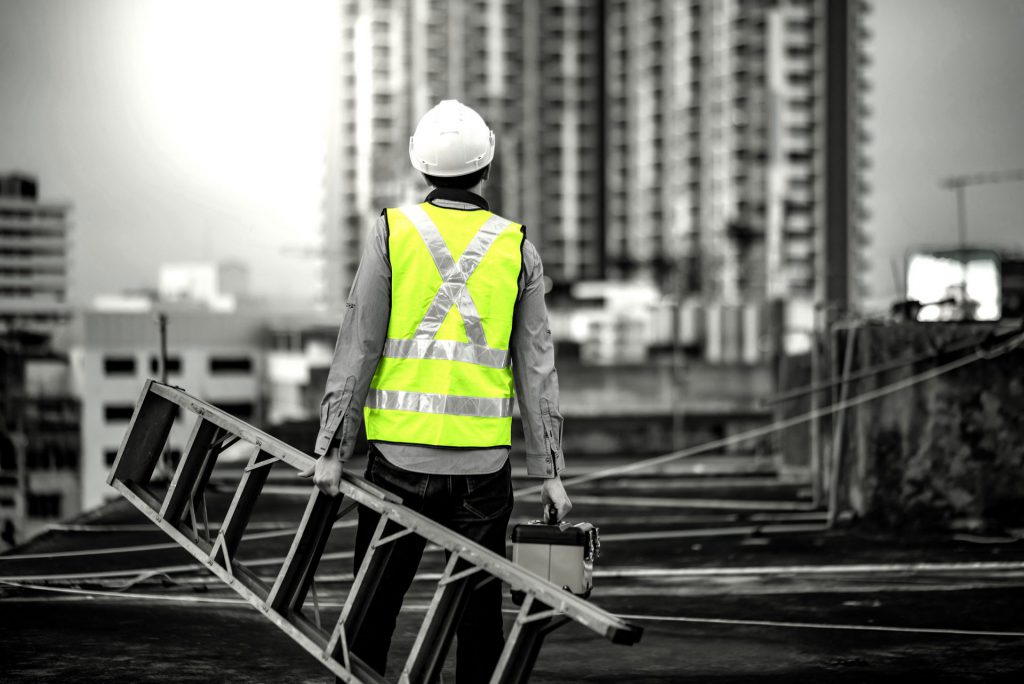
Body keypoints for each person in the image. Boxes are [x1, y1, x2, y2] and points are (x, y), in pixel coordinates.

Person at [300, 99, 571, 682]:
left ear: (421, 168)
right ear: (487, 165)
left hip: (397, 460)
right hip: (483, 469)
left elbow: (359, 344)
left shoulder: (391, 232)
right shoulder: (515, 246)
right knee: (478, 623)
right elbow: (537, 368)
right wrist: (548, 471)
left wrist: (332, 449)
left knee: (371, 615)